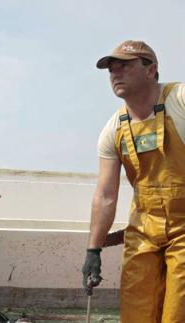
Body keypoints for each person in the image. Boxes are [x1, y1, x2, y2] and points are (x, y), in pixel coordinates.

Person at [83, 40, 185, 322]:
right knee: (136, 311)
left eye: (125, 66)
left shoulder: (180, 101)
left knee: (178, 311)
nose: (116, 73)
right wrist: (94, 249)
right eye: (111, 69)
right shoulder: (114, 128)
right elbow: (105, 195)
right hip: (144, 229)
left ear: (151, 70)